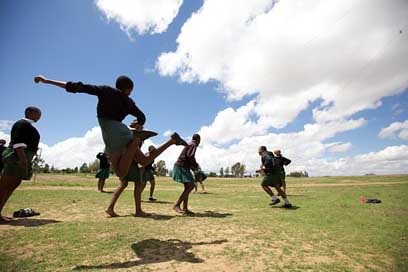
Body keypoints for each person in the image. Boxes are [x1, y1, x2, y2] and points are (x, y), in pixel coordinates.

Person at [34, 75, 187, 216]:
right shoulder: (128, 101)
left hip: (112, 131)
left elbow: (76, 87)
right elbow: (142, 117)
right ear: (129, 89)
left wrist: (47, 81)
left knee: (121, 174)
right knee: (145, 161)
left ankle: (136, 140)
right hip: (122, 131)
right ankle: (171, 140)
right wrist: (138, 124)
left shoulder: (105, 90)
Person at [0, 107, 41, 223]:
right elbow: (18, 142)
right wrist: (23, 159)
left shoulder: (28, 125)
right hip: (17, 158)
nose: (39, 116)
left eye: (40, 114)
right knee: (4, 186)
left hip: (22, 157)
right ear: (29, 112)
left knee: (12, 185)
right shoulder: (22, 124)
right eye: (37, 113)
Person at [172, 134, 201, 214]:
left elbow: (189, 157)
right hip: (182, 166)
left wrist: (194, 167)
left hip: (182, 166)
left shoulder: (190, 144)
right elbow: (190, 156)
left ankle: (185, 208)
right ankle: (177, 205)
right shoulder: (193, 144)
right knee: (191, 185)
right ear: (198, 140)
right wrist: (196, 165)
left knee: (187, 187)